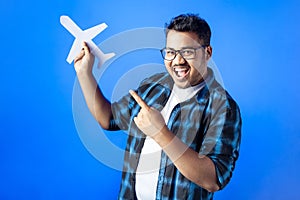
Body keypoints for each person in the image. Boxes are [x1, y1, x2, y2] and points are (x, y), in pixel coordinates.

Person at [73, 13, 242, 200]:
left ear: (207, 53)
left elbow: (213, 179)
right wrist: (84, 72)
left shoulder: (223, 107)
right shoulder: (153, 86)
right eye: (171, 52)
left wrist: (160, 132)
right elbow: (108, 118)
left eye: (188, 52)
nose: (177, 61)